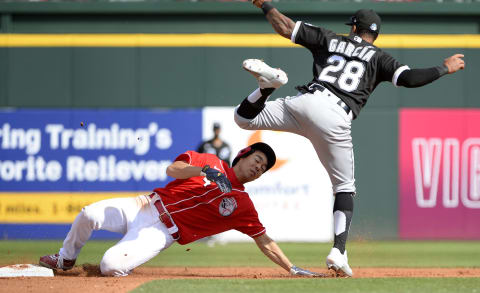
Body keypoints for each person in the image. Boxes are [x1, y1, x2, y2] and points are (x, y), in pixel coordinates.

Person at [233, 2, 465, 277]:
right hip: (335, 114)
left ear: (354, 28)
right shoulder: (380, 58)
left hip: (306, 101)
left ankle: (266, 87)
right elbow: (411, 79)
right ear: (373, 35)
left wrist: (264, 4)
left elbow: (283, 26)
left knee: (244, 119)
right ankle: (338, 252)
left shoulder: (329, 38)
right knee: (344, 186)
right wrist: (443, 68)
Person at [39, 142, 322, 277]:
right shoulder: (209, 161)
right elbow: (171, 168)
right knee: (89, 214)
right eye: (256, 160)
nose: (257, 168)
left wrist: (293, 268)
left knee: (110, 266)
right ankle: (65, 259)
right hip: (145, 205)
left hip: (163, 233)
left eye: (262, 169)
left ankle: (113, 267)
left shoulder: (242, 205)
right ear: (242, 156)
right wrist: (203, 170)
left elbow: (264, 240)